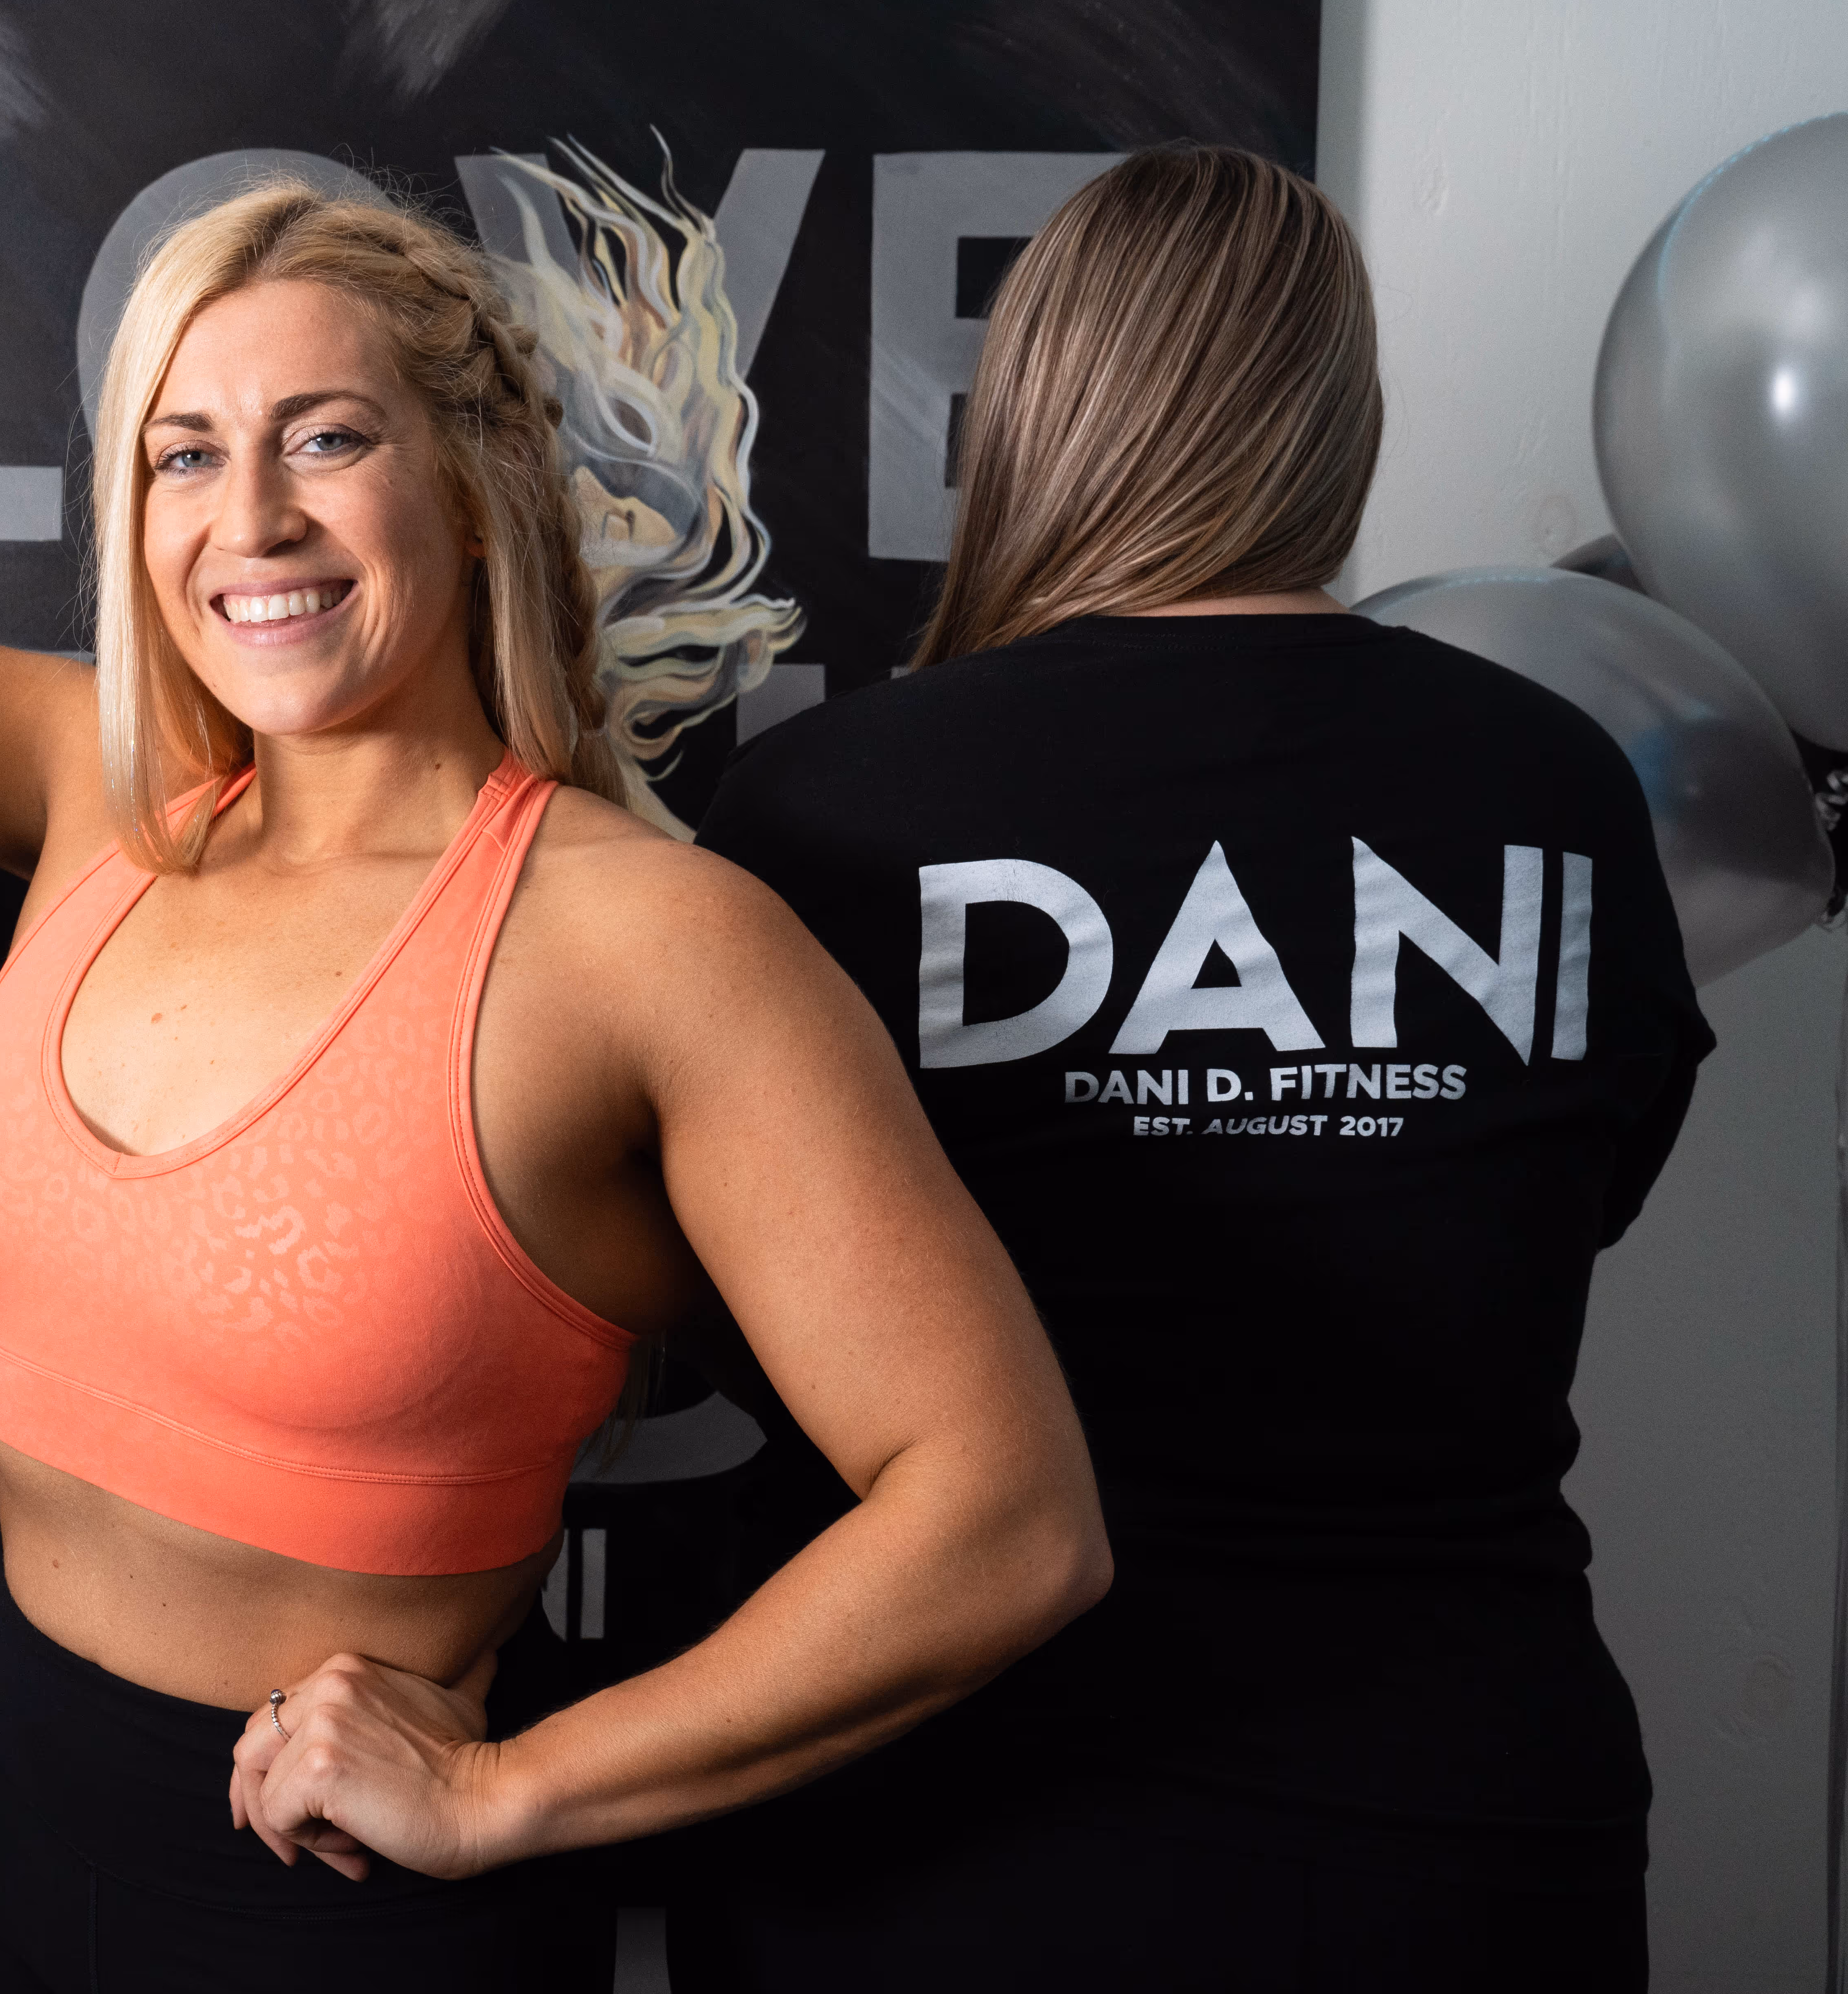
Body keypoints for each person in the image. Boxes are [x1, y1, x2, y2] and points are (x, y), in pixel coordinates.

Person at [0, 182, 1113, 1992]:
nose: (248, 519)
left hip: (334, 1907)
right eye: (181, 455)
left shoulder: (648, 944)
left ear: (473, 472)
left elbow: (1005, 1518)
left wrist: (517, 1791)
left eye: (325, 439)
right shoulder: (99, 802)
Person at [683, 145, 1712, 1991]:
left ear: (1034, 413)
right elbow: (1575, 1190)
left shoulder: (833, 803)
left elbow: (708, 1306)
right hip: (1451, 1837)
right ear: (1335, 419)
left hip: (931, 1836)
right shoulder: (1549, 786)